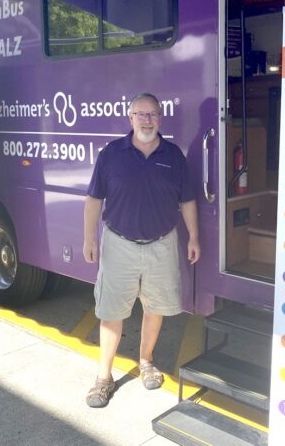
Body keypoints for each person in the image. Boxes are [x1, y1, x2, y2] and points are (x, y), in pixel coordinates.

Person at [82, 92, 200, 408]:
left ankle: (145, 360)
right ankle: (103, 378)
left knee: (155, 307)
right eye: (141, 114)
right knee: (111, 312)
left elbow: (187, 200)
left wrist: (194, 238)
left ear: (160, 118)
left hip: (162, 244)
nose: (147, 120)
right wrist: (89, 239)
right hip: (119, 244)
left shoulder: (173, 155)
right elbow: (94, 199)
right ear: (130, 117)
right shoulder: (111, 154)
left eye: (153, 115)